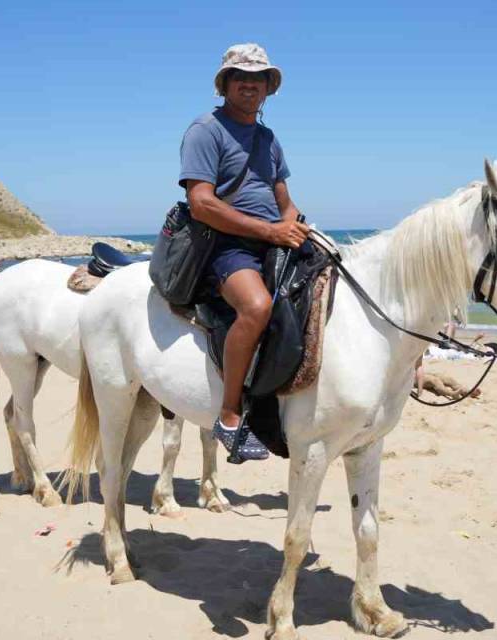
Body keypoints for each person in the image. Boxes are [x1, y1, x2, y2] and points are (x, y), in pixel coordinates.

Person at [179, 43, 306, 462]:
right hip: (226, 245)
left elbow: (283, 197)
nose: (250, 84)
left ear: (269, 87)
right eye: (241, 77)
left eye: (258, 78)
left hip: (271, 239)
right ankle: (230, 414)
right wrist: (271, 231)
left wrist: (294, 224)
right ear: (226, 84)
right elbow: (202, 203)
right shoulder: (205, 130)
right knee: (255, 307)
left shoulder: (268, 138)